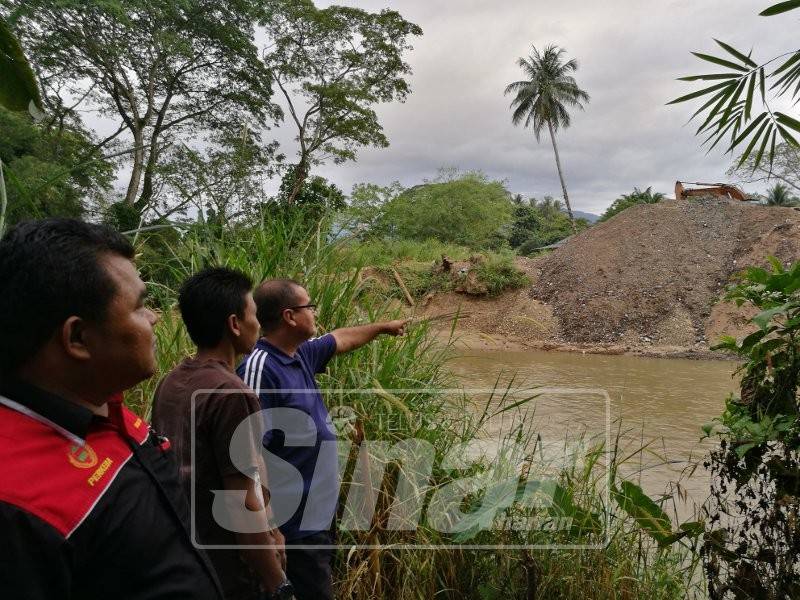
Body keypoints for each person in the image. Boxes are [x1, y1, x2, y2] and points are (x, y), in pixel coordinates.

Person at [0, 218, 224, 599]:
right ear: (78, 337)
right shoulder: (17, 506)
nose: (154, 317)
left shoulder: (106, 407)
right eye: (139, 306)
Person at [236, 278, 408, 600]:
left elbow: (341, 339)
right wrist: (269, 529)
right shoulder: (260, 368)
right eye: (310, 306)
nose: (315, 311)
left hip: (316, 518)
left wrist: (383, 327)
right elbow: (249, 454)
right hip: (292, 527)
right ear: (290, 316)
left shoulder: (299, 354)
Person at [152, 268, 293, 600]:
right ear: (234, 324)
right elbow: (242, 504)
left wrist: (272, 526)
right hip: (229, 572)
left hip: (187, 561)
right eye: (254, 315)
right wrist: (279, 584)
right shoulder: (232, 393)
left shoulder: (170, 382)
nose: (258, 324)